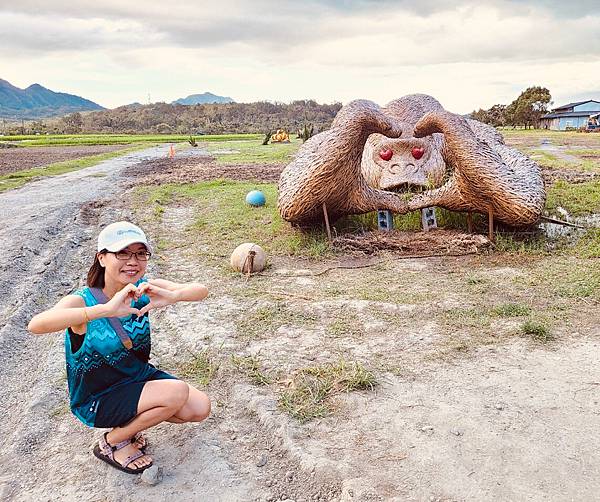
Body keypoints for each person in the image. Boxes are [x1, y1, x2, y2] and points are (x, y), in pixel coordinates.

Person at [28, 221, 211, 474]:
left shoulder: (142, 288)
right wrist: (104, 310)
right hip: (98, 397)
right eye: (122, 253)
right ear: (102, 258)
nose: (133, 261)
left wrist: (174, 295)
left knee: (200, 407)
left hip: (136, 378)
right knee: (176, 392)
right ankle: (112, 442)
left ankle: (130, 426)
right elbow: (36, 324)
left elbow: (201, 290)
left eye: (140, 253)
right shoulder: (83, 300)